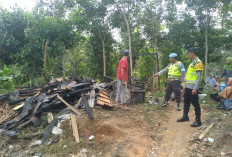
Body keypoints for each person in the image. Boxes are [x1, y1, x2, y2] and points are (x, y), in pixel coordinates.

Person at [177, 48, 203, 127]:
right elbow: (188, 76)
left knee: (195, 104)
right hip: (188, 87)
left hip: (193, 87)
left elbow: (198, 77)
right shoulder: (192, 63)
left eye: (188, 53)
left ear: (192, 53)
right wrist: (185, 86)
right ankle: (185, 117)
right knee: (186, 103)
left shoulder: (198, 63)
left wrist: (195, 88)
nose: (188, 55)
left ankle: (198, 121)